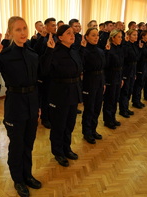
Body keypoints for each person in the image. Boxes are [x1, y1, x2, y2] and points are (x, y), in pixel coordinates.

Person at [0, 16, 41, 197]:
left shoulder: (32, 54)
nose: (23, 33)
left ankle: (27, 175)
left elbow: (38, 83)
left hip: (32, 103)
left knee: (28, 144)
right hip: (15, 105)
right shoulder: (3, 54)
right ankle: (18, 180)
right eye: (18, 29)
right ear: (10, 32)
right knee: (17, 145)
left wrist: (38, 107)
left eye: (24, 28)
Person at [40, 25, 83, 167]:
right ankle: (58, 152)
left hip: (73, 92)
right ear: (60, 37)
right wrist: (49, 50)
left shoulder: (74, 51)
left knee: (69, 124)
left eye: (73, 33)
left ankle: (67, 148)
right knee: (59, 125)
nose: (72, 35)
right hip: (59, 93)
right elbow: (44, 71)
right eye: (68, 33)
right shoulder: (54, 51)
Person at [81, 28, 105, 144]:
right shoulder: (84, 52)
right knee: (89, 108)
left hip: (99, 82)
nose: (96, 38)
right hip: (89, 82)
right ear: (87, 37)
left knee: (97, 108)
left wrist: (103, 83)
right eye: (93, 35)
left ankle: (93, 130)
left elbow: (102, 69)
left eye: (97, 35)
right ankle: (87, 132)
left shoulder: (100, 51)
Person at [34, 17, 58, 129]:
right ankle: (45, 118)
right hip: (44, 74)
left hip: (54, 73)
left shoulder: (57, 38)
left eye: (55, 25)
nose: (55, 27)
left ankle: (51, 116)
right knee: (45, 97)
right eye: (52, 25)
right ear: (46, 27)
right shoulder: (40, 38)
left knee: (52, 96)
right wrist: (42, 38)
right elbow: (36, 52)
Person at [103, 29, 124, 129]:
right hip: (110, 77)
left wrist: (121, 78)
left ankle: (113, 118)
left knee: (115, 99)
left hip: (118, 76)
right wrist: (106, 52)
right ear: (113, 38)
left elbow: (121, 65)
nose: (121, 39)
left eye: (121, 37)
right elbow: (106, 65)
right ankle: (107, 120)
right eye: (119, 37)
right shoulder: (109, 49)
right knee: (109, 100)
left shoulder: (119, 48)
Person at [119, 29, 141, 118]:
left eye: (136, 35)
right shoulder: (125, 45)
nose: (136, 36)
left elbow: (137, 58)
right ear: (128, 35)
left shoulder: (135, 45)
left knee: (129, 91)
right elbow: (125, 58)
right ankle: (122, 110)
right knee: (125, 91)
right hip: (126, 71)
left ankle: (126, 108)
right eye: (134, 35)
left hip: (132, 70)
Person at [132, 30, 147, 109]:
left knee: (141, 85)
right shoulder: (139, 45)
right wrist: (140, 48)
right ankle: (135, 101)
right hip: (140, 67)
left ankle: (138, 100)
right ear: (143, 36)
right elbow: (138, 57)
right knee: (138, 85)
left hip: (145, 67)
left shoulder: (146, 45)